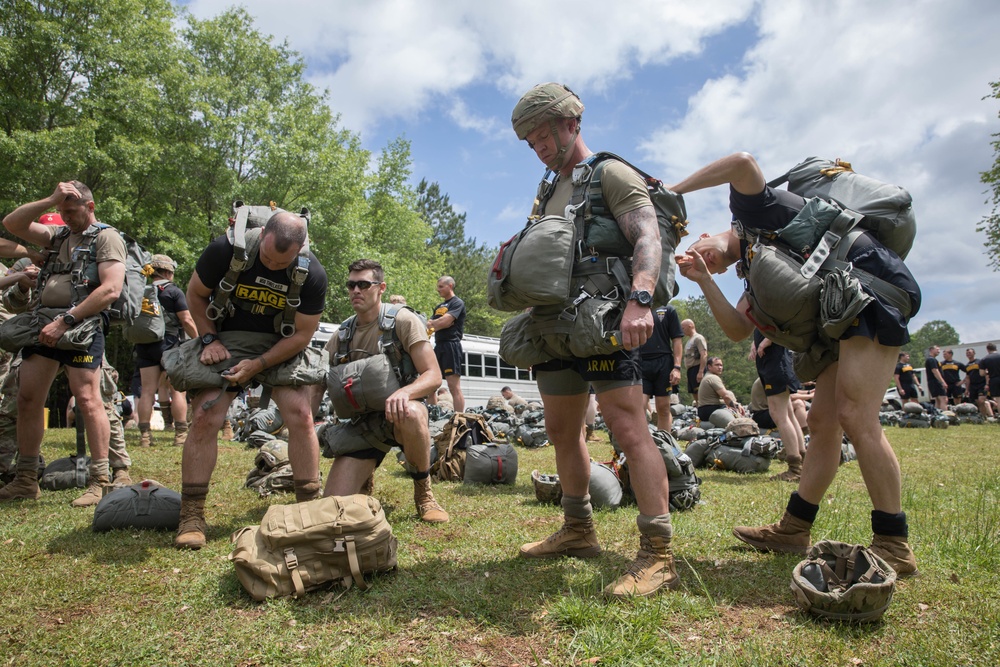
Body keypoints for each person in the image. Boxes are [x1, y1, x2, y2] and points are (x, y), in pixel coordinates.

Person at [672, 151, 921, 576]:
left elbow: (742, 163)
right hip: (842, 311)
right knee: (824, 423)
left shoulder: (755, 212)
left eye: (699, 249)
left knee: (856, 416)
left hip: (874, 287)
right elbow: (735, 328)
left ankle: (893, 542)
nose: (701, 256)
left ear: (709, 233)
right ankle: (794, 528)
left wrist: (670, 193)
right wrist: (703, 279)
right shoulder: (753, 271)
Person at [510, 82, 679, 597]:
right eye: (530, 141)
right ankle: (579, 530)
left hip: (606, 320)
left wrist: (641, 299)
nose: (539, 147)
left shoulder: (611, 173)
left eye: (545, 136)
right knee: (563, 431)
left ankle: (658, 554)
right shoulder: (547, 189)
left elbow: (647, 234)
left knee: (629, 430)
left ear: (572, 124)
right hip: (556, 325)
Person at [172, 210, 328, 549]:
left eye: (279, 263)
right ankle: (192, 514)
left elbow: (302, 335)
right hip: (227, 337)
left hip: (279, 343)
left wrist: (258, 365)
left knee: (301, 414)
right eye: (266, 257)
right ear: (262, 235)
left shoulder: (312, 272)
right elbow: (195, 295)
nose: (270, 266)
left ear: (301, 250)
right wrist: (210, 340)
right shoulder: (225, 250)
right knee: (205, 414)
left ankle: (309, 508)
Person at [0, 182, 126, 506]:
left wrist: (66, 321)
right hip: (43, 325)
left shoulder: (105, 237)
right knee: (28, 398)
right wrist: (51, 200)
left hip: (80, 326)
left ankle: (100, 481)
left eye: (71, 211)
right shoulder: (57, 236)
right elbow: (11, 224)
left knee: (87, 399)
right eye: (62, 211)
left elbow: (111, 289)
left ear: (90, 206)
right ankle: (26, 479)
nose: (66, 217)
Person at [321, 259, 449, 523]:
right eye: (351, 285)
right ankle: (365, 478)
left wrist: (405, 393)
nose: (356, 290)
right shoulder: (342, 334)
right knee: (330, 507)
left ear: (381, 288)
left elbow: (433, 375)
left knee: (412, 412)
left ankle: (423, 492)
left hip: (401, 415)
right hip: (363, 426)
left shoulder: (403, 321)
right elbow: (317, 380)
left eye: (364, 284)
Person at [135, 254, 198, 447]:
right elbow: (186, 320)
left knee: (147, 391)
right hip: (170, 344)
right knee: (177, 390)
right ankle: (180, 435)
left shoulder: (141, 291)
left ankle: (145, 436)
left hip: (145, 343)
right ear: (168, 272)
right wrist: (199, 340)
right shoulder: (173, 292)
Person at [749, 331, 806, 482]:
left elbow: (783, 324)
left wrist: (766, 340)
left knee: (779, 414)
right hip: (774, 361)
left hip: (775, 361)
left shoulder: (772, 307)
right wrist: (755, 343)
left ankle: (796, 469)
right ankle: (803, 462)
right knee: (788, 414)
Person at [639, 305, 684, 432]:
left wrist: (677, 367)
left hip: (664, 362)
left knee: (663, 407)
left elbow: (677, 339)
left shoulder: (668, 310)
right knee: (639, 406)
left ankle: (664, 443)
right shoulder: (636, 308)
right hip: (640, 362)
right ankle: (641, 444)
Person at [428, 276, 466, 413]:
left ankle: (459, 418)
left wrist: (437, 324)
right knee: (431, 385)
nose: (438, 290)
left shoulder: (457, 303)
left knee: (453, 386)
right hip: (438, 346)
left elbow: (444, 322)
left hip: (452, 345)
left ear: (450, 286)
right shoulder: (439, 307)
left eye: (440, 287)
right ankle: (432, 415)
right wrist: (438, 324)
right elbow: (430, 324)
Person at [696, 356, 741, 423]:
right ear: (709, 367)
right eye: (717, 365)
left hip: (703, 410)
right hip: (710, 410)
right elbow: (726, 396)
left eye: (721, 365)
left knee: (730, 395)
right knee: (735, 411)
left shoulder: (707, 376)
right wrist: (736, 409)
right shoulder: (712, 378)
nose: (720, 367)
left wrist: (735, 403)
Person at [681, 319, 708, 403]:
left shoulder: (698, 338)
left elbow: (704, 354)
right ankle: (698, 410)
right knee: (694, 393)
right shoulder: (690, 340)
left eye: (683, 328)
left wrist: (700, 371)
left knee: (700, 392)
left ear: (690, 326)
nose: (682, 330)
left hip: (697, 368)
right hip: (691, 370)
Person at [963, 348, 993, 418]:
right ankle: (983, 417)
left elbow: (986, 373)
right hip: (973, 386)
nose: (968, 354)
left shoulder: (979, 362)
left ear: (974, 353)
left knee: (981, 400)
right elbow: (967, 378)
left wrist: (987, 384)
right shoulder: (967, 365)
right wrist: (967, 389)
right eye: (967, 353)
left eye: (970, 352)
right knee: (977, 402)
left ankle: (990, 416)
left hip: (981, 384)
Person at [924, 345, 948, 410]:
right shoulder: (931, 359)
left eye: (939, 350)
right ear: (931, 350)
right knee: (944, 399)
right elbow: (935, 371)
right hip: (936, 381)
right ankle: (945, 416)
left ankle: (938, 415)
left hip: (933, 382)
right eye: (937, 349)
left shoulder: (932, 359)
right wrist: (942, 382)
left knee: (938, 400)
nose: (939, 351)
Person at [981, 342, 1000, 409]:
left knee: (998, 400)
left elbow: (982, 373)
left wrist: (987, 371)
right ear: (996, 348)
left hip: (994, 380)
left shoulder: (984, 359)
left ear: (987, 349)